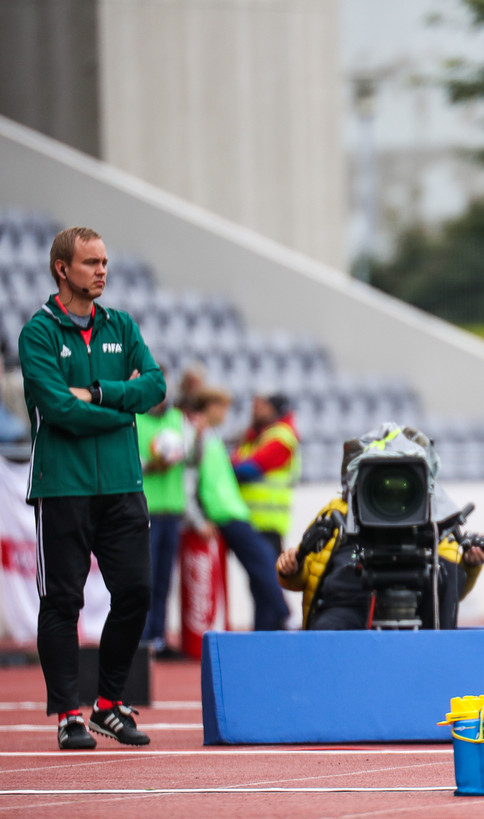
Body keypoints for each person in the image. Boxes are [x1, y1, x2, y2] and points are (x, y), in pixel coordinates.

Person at [17, 226, 166, 750]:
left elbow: (155, 386)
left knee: (137, 593)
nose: (102, 270)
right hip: (63, 486)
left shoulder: (121, 325)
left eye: (104, 262)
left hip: (123, 484)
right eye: (91, 263)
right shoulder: (38, 333)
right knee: (62, 601)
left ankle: (108, 704)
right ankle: (67, 715)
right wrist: (121, 413)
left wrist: (100, 393)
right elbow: (59, 410)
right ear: (62, 269)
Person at [276, 423, 484, 630]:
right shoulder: (337, 513)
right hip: (346, 606)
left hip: (416, 604)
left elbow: (448, 588)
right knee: (327, 634)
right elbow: (301, 578)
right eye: (382, 476)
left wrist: (469, 565)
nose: (391, 489)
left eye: (402, 477)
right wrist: (291, 569)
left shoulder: (435, 517)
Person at [184, 387, 292, 631]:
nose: (226, 414)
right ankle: (284, 617)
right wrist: (198, 519)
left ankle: (273, 624)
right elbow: (190, 479)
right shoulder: (200, 436)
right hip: (227, 512)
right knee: (263, 569)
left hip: (247, 515)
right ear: (211, 408)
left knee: (261, 571)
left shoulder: (212, 436)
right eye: (223, 408)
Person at [135, 377, 190, 658]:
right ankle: (142, 637)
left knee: (165, 579)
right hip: (147, 509)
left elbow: (192, 454)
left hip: (172, 510)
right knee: (146, 576)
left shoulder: (178, 419)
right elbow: (129, 460)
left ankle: (158, 636)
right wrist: (151, 464)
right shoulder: (135, 419)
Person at [231, 392, 301, 558]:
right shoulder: (255, 436)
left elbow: (249, 469)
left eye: (261, 405)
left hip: (268, 523)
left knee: (269, 572)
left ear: (275, 409)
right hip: (248, 519)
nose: (255, 409)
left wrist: (227, 467)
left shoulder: (281, 438)